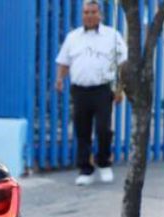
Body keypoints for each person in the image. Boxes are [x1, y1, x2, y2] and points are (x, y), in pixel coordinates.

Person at [54, 0, 127, 186]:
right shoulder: (73, 37)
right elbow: (64, 61)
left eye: (93, 12)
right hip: (80, 91)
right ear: (82, 15)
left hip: (103, 90)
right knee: (82, 130)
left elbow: (122, 65)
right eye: (86, 12)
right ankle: (85, 169)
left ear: (100, 14)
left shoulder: (112, 36)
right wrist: (60, 79)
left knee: (103, 129)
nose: (89, 15)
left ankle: (104, 164)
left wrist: (120, 89)